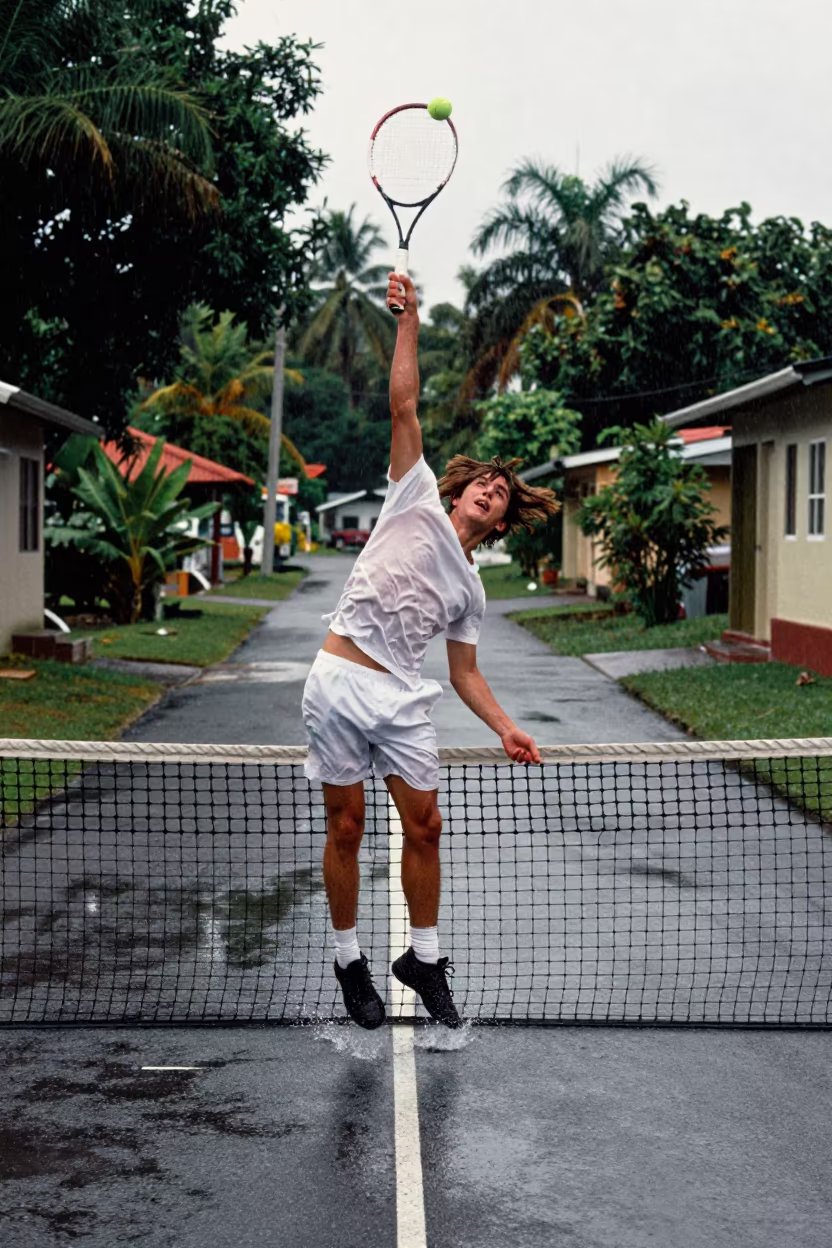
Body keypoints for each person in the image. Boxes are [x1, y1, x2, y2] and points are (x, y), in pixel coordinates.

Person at [302, 271, 559, 1029]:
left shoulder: (472, 591)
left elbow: (465, 673)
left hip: (402, 699)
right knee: (346, 828)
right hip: (339, 679)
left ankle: (422, 958)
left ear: (500, 521)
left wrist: (505, 727)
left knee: (428, 827)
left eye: (500, 494)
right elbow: (404, 404)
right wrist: (408, 319)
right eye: (483, 484)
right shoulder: (411, 493)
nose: (489, 492)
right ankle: (348, 960)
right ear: (457, 491)